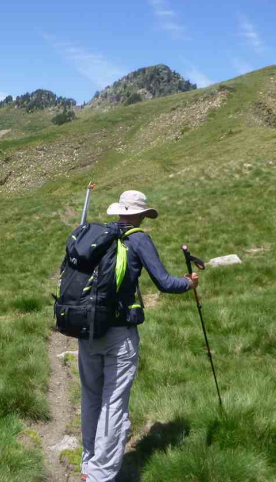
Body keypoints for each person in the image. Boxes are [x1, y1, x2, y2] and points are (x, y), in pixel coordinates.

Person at [78, 189, 198, 482]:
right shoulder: (138, 238)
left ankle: (88, 465)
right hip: (119, 333)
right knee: (114, 403)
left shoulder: (96, 235)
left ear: (119, 210)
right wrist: (188, 283)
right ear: (142, 215)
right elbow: (165, 283)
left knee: (91, 398)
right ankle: (100, 476)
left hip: (86, 330)